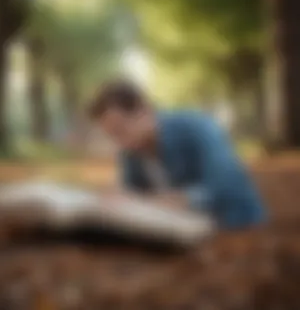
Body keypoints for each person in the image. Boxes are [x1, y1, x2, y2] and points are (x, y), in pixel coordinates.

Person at [87, 79, 267, 230]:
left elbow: (225, 188)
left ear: (144, 111)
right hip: (184, 231)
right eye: (112, 136)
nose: (120, 143)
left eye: (121, 130)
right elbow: (134, 196)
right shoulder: (130, 153)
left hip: (235, 225)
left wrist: (165, 201)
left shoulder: (198, 127)